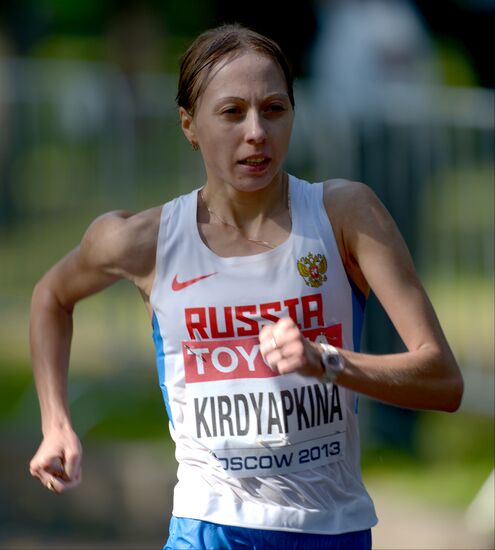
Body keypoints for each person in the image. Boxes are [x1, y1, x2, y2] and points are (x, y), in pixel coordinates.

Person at [28, 23, 464, 549]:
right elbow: (51, 297)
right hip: (208, 524)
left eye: (274, 110)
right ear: (189, 126)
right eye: (232, 112)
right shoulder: (144, 241)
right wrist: (55, 423)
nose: (256, 132)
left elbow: (443, 380)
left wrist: (326, 361)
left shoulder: (345, 216)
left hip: (331, 527)